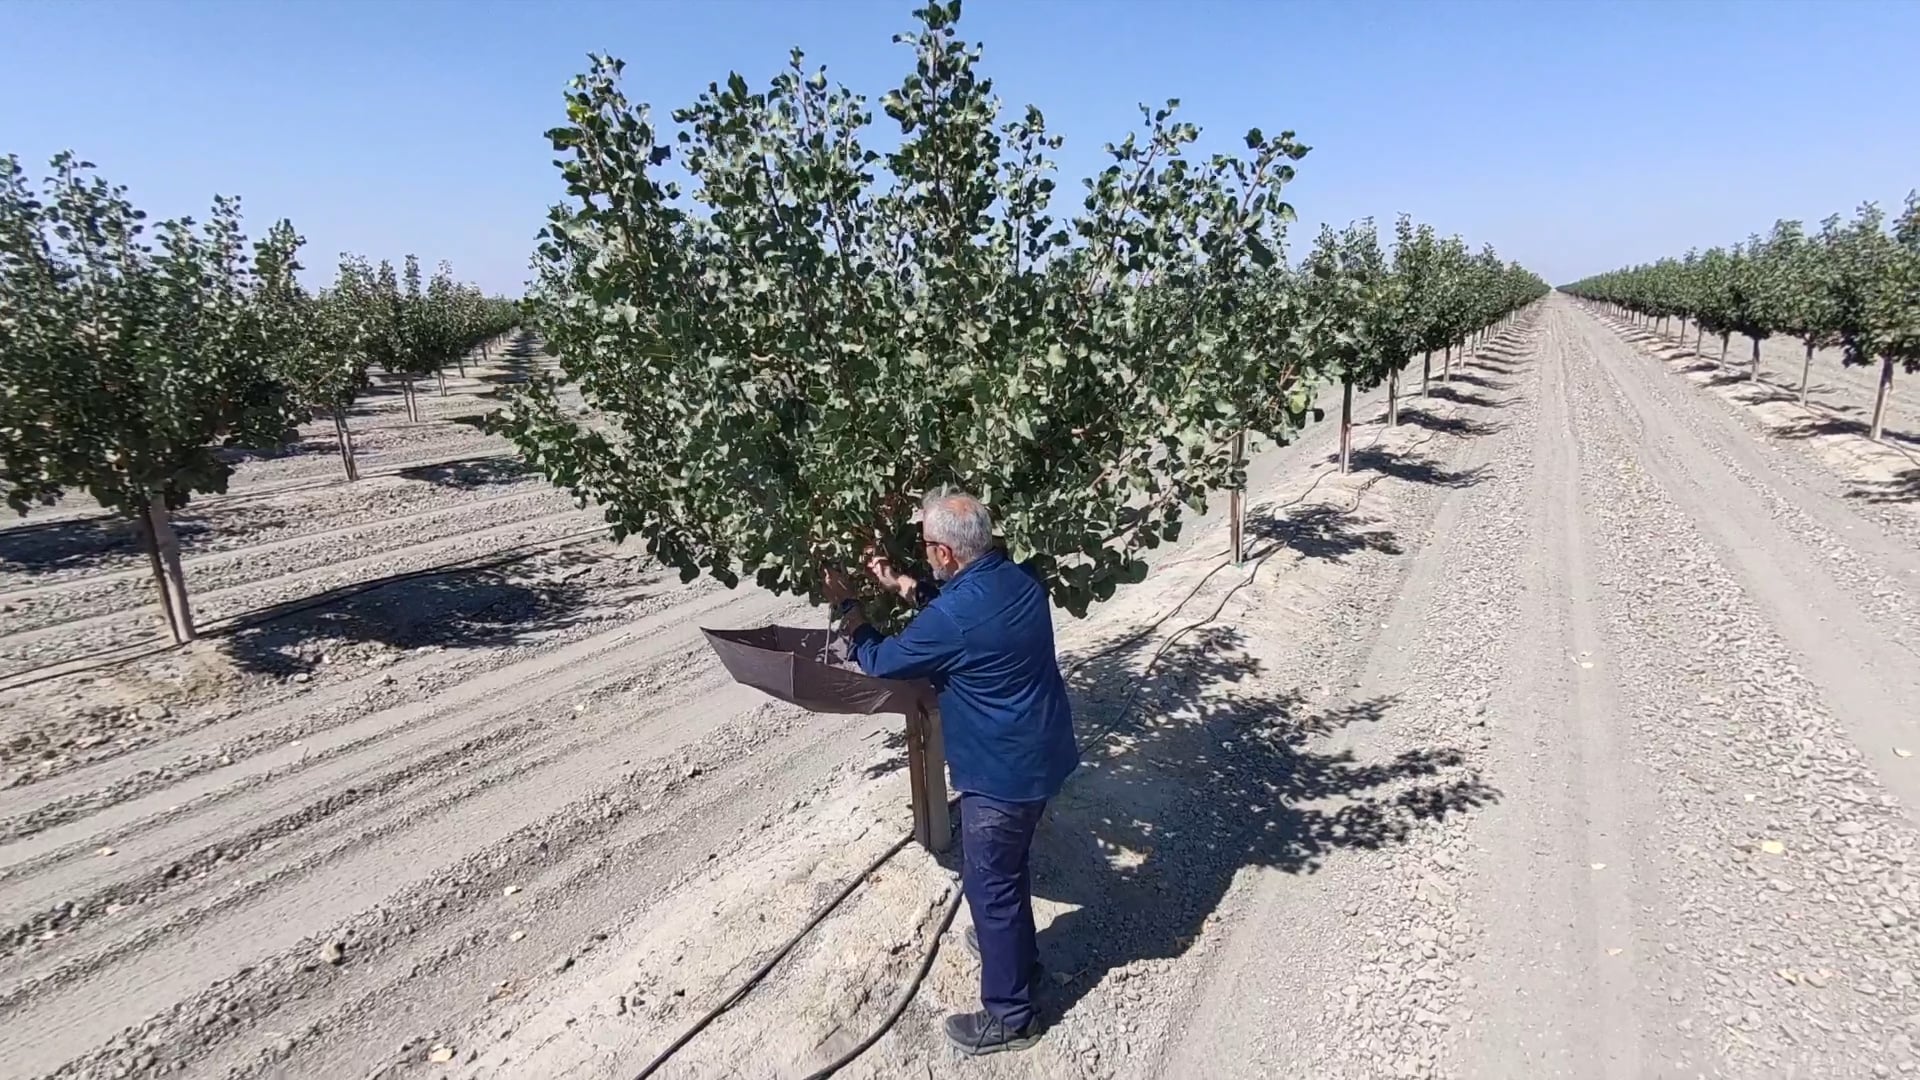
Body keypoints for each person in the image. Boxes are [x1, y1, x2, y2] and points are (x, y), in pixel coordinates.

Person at [823, 488, 1078, 1055]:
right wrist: (904, 585)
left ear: (943, 552)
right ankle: (1018, 958)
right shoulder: (1020, 581)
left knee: (989, 883)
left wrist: (849, 607)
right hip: (1044, 752)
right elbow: (962, 614)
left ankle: (1011, 1018)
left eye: (926, 548)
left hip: (999, 774)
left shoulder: (955, 616)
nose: (926, 556)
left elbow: (881, 660)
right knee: (1008, 872)